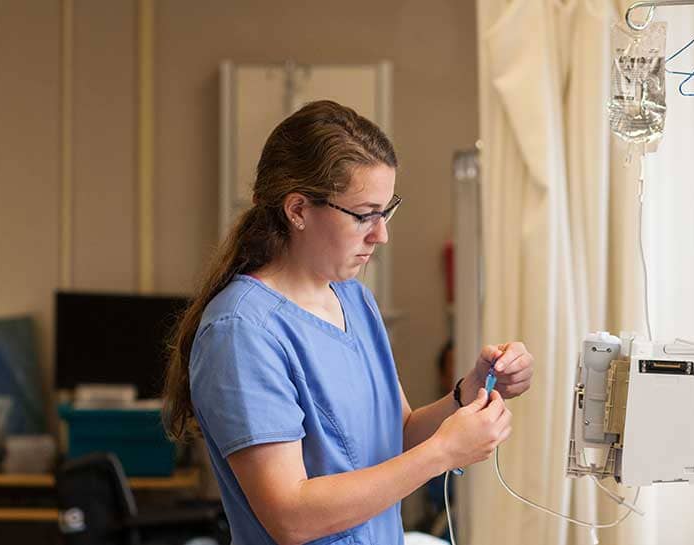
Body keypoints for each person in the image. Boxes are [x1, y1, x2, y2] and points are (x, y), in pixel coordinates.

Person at [162, 100, 534, 545]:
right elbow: (290, 516)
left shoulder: (354, 300)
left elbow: (394, 436)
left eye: (386, 211)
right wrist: (443, 453)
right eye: (364, 215)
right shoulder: (242, 332)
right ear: (297, 209)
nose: (381, 234)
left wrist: (470, 391)